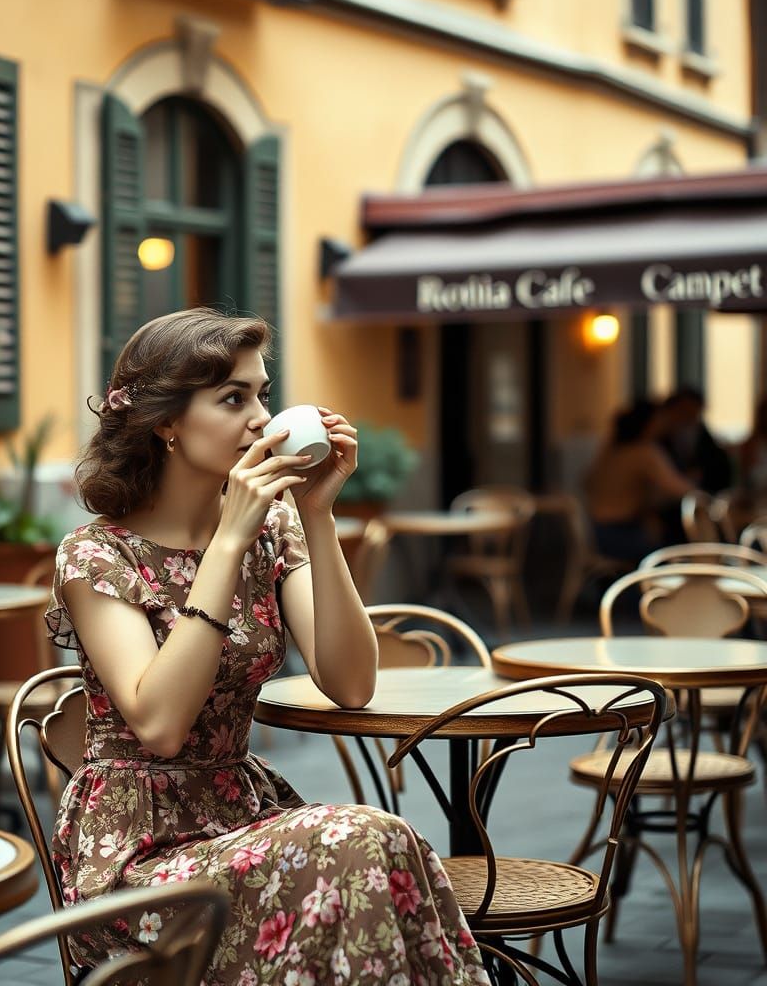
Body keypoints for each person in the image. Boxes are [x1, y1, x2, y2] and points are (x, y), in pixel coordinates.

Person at [46, 308, 488, 985]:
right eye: (233, 398)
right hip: (137, 855)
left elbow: (350, 683)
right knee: (359, 841)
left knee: (377, 840)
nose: (262, 417)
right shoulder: (97, 556)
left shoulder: (273, 528)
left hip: (243, 815)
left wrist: (317, 516)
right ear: (167, 423)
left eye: (262, 393)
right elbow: (160, 725)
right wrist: (226, 543)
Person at [584, 400, 693, 562]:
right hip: (623, 531)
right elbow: (679, 489)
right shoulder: (645, 452)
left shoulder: (612, 449)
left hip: (596, 529)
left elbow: (588, 482)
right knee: (675, 556)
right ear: (650, 423)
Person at [659, 387, 732, 495]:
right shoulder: (659, 439)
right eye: (684, 409)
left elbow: (720, 470)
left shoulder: (705, 438)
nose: (689, 414)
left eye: (693, 409)